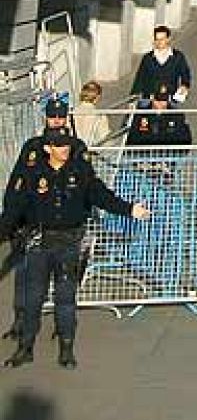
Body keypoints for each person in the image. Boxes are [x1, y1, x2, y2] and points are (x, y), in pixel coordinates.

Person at [0, 126, 151, 369]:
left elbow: (101, 196)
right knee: (33, 299)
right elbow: (13, 211)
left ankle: (67, 349)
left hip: (69, 244)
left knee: (66, 298)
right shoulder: (32, 174)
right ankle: (25, 348)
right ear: (48, 149)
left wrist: (130, 209)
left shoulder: (80, 171)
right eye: (60, 145)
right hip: (39, 245)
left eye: (67, 144)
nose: (65, 149)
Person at [2, 97, 86, 342]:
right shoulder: (33, 147)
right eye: (53, 117)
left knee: (64, 282)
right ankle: (20, 320)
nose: (57, 121)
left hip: (61, 226)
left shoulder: (75, 147)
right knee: (24, 275)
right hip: (30, 222)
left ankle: (63, 327)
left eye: (61, 117)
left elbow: (84, 183)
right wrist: (10, 216)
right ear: (46, 118)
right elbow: (16, 182)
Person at [131, 26, 191, 105]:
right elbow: (139, 78)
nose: (159, 42)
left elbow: (185, 75)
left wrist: (184, 86)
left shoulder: (178, 57)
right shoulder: (147, 58)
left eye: (162, 39)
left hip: (169, 100)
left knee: (176, 117)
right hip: (149, 100)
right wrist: (134, 97)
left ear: (168, 39)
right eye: (157, 39)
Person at [127, 90, 192, 147]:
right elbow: (132, 135)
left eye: (164, 100)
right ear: (152, 98)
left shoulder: (176, 115)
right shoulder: (140, 114)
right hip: (143, 154)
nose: (161, 104)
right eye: (158, 100)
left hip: (168, 155)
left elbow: (184, 137)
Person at [71, 82, 107, 147]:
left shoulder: (72, 113)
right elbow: (104, 137)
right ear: (98, 97)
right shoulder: (100, 115)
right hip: (92, 151)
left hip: (75, 151)